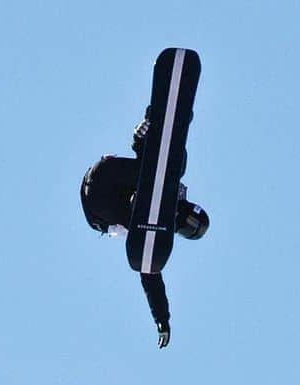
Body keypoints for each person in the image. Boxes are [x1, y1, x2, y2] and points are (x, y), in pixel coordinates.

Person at [80, 116, 209, 349]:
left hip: (102, 200)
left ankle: (149, 130)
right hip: (106, 182)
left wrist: (162, 318)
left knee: (166, 175)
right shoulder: (171, 191)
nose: (185, 219)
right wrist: (180, 118)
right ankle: (151, 126)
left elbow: (149, 271)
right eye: (191, 218)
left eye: (189, 226)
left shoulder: (156, 230)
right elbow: (149, 272)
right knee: (172, 168)